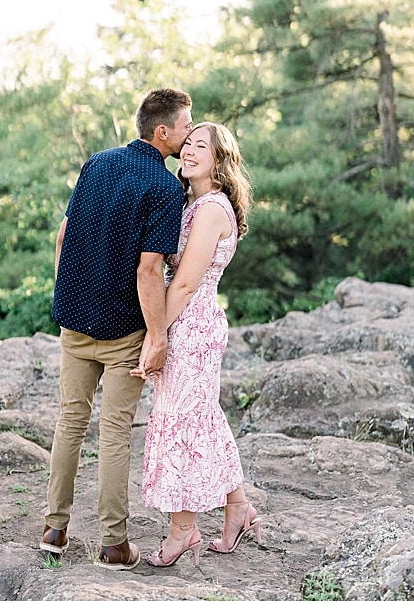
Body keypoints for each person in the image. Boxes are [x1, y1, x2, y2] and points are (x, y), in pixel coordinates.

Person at [40, 88, 194, 571]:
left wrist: (69, 292)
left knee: (70, 422)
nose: (189, 135)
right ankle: (113, 544)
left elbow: (65, 235)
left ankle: (54, 530)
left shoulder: (96, 164)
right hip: (124, 330)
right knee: (114, 432)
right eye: (186, 126)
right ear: (162, 131)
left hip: (75, 320)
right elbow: (150, 271)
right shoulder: (165, 189)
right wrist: (158, 335)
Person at [135, 121, 263, 568]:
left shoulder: (211, 209)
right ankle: (239, 509)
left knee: (183, 424)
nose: (188, 151)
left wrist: (157, 337)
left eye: (199, 146)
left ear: (219, 159)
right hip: (186, 320)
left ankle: (183, 529)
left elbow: (186, 282)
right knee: (201, 417)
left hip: (191, 325)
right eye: (186, 144)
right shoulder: (192, 202)